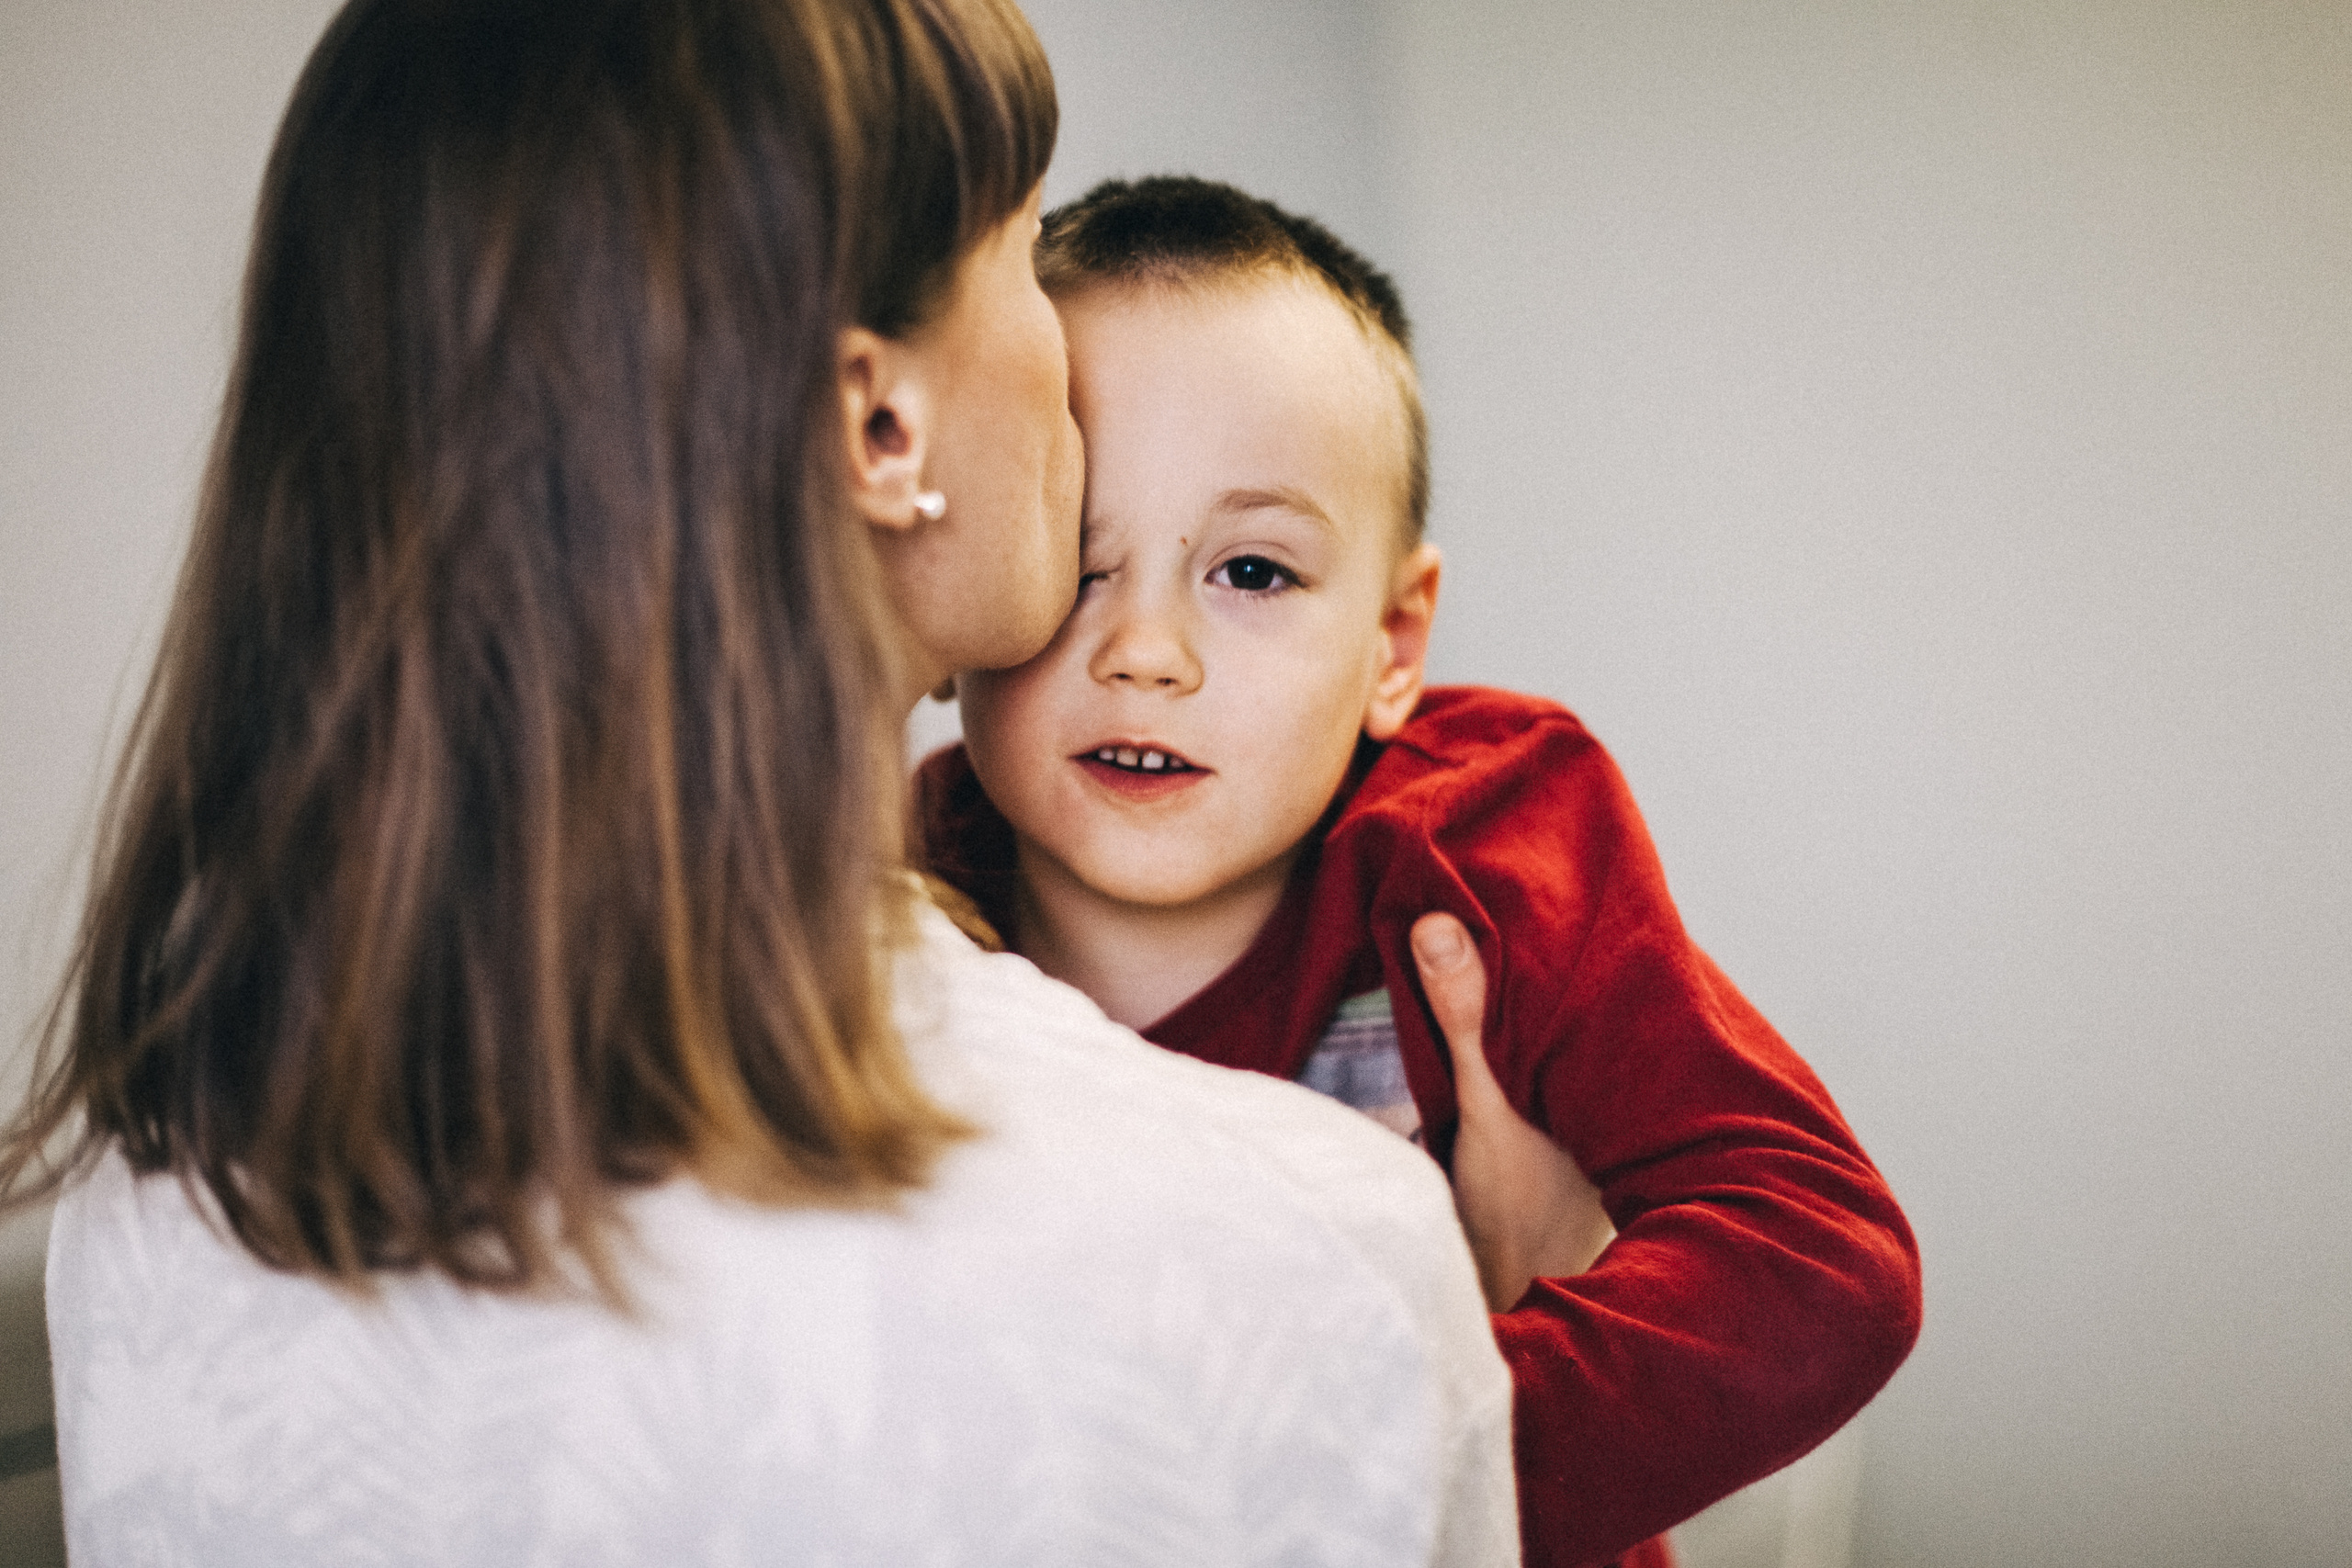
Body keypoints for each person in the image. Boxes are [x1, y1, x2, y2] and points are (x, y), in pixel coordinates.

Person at [0, 11, 1520, 1565]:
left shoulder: (162, 1203)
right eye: (1022, 245)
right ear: (881, 423)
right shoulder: (1304, 1266)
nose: (1066, 356)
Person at [916, 175, 1926, 1568]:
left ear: (1394, 646)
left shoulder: (1486, 841)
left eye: (1254, 573)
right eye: (1079, 562)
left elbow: (1822, 1263)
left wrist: (1396, 1481)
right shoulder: (900, 905)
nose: (1147, 650)